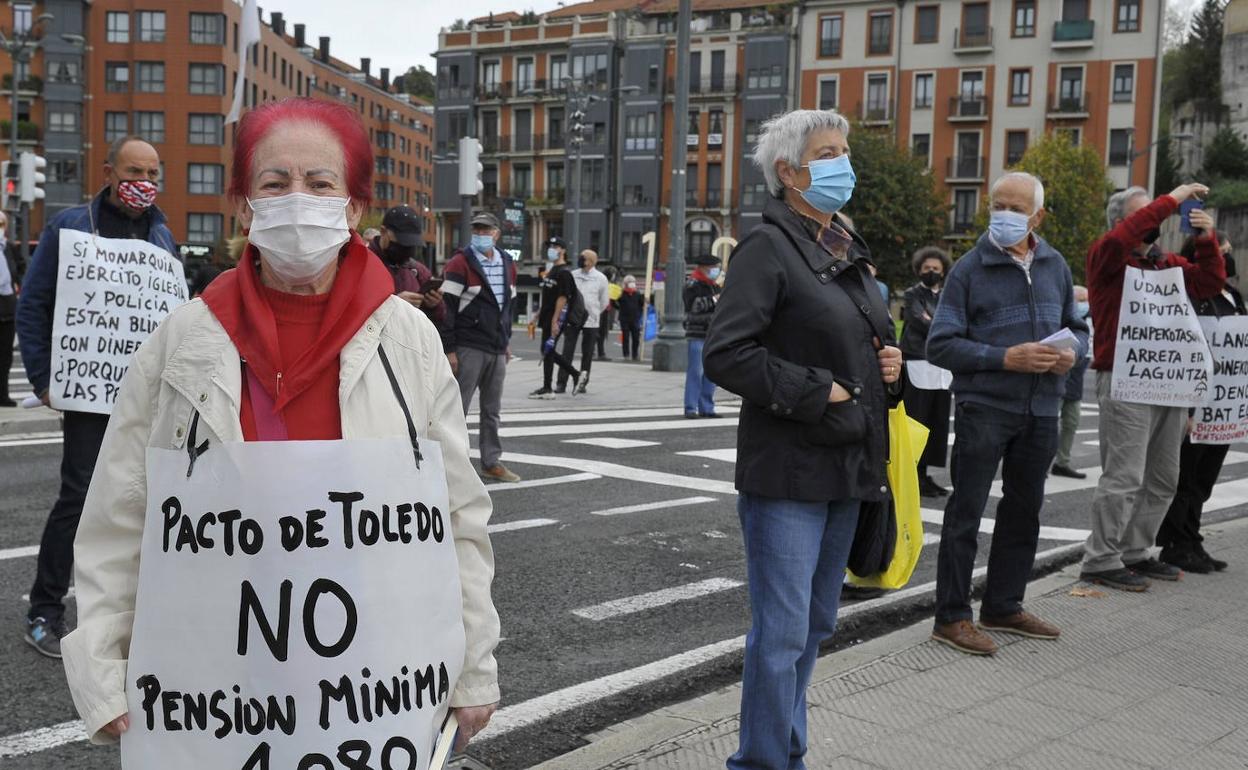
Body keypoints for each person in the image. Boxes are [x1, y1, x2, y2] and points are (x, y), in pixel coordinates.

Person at [60, 98, 499, 749]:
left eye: (320, 183)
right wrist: (101, 667)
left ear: (352, 208)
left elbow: (457, 516)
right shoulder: (181, 342)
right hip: (213, 693)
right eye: (275, 183)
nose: (298, 199)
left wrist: (473, 667)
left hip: (371, 689)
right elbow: (120, 515)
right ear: (244, 205)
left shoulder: (409, 342)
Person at [703, 109, 902, 770]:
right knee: (782, 633)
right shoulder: (770, 246)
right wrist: (821, 390)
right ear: (788, 172)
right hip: (788, 470)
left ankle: (787, 752)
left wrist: (887, 366)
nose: (843, 162)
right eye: (827, 152)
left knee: (815, 626)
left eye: (844, 150)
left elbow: (861, 342)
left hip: (846, 463)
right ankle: (761, 762)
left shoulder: (845, 243)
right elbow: (726, 353)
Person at [15, 135, 177, 657]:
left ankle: (135, 612)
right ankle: (45, 610)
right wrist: (43, 378)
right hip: (89, 391)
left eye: (152, 173)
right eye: (133, 171)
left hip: (143, 396)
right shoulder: (69, 228)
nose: (143, 183)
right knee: (79, 499)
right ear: (108, 172)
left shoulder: (163, 237)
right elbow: (34, 305)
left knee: (144, 499)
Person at [926, 171, 1088, 657]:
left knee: (1024, 511)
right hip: (985, 408)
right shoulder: (969, 270)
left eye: (1017, 209)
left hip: (1041, 408)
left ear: (1037, 216)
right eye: (999, 205)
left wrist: (1072, 353)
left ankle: (1003, 606)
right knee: (966, 511)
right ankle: (951, 617)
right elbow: (941, 344)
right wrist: (1004, 358)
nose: (1005, 216)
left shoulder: (1056, 265)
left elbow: (1078, 329)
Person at [1081, 184, 1225, 591]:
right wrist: (1173, 198)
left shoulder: (1167, 266)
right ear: (1123, 222)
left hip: (1169, 382)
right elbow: (1127, 234)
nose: (1155, 220)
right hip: (1126, 380)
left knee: (1163, 477)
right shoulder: (1106, 257)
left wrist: (1206, 240)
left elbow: (1210, 282)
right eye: (1145, 215)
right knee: (1123, 476)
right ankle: (1101, 558)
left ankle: (1135, 551)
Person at [1156, 235, 1242, 573]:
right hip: (1197, 400)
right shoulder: (1190, 295)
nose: (1228, 259)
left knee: (1205, 477)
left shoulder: (1232, 295)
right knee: (1185, 476)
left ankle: (1192, 538)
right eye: (1224, 253)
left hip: (1225, 403)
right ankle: (1175, 543)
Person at [443, 212, 521, 483]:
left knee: (492, 409)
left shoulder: (508, 264)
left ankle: (491, 461)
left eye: (486, 230)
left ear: (497, 234)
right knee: (457, 408)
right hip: (468, 345)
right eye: (477, 229)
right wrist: (450, 349)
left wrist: (506, 341)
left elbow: (508, 307)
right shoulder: (459, 263)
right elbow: (447, 309)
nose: (481, 234)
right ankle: (453, 464)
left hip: (497, 347)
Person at [899, 246, 953, 497]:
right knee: (917, 419)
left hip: (941, 365)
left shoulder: (947, 295)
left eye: (936, 269)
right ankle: (913, 474)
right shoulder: (912, 294)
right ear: (919, 270)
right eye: (926, 268)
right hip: (917, 361)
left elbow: (949, 322)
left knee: (937, 422)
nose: (931, 272)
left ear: (943, 272)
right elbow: (918, 320)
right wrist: (938, 324)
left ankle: (926, 474)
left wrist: (935, 321)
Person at [368, 204, 445, 325]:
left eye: (412, 244)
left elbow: (439, 318)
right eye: (403, 242)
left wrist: (434, 305)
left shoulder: (417, 270)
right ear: (383, 232)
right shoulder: (363, 264)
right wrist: (395, 305)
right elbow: (353, 310)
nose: (407, 249)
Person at [528, 236, 579, 398]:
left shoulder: (564, 272)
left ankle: (568, 377)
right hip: (547, 315)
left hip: (556, 318)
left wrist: (555, 320)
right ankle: (549, 386)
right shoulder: (552, 270)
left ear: (563, 251)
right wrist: (538, 314)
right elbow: (549, 295)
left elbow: (562, 298)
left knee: (547, 349)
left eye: (556, 246)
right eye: (550, 246)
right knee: (547, 350)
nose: (552, 249)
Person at [1051, 285, 1092, 479]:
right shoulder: (1062, 319)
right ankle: (1041, 463)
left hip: (1075, 384)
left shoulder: (1087, 323)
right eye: (1081, 300)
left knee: (1071, 422)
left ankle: (1062, 462)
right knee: (1049, 424)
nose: (1084, 304)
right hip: (1057, 380)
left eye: (1086, 300)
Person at [556, 249, 609, 394]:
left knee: (587, 353)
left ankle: (582, 383)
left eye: (583, 258)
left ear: (591, 262)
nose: (580, 260)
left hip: (591, 320)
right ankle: (561, 382)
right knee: (567, 351)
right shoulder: (573, 275)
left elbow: (604, 301)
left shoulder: (601, 278)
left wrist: (594, 312)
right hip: (573, 319)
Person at [683, 254, 721, 418]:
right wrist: (714, 299)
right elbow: (693, 306)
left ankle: (707, 407)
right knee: (696, 372)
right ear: (705, 267)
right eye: (715, 267)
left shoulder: (714, 285)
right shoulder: (693, 284)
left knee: (711, 372)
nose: (716, 271)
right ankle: (691, 407)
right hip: (698, 332)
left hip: (713, 334)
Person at [0, 210, 20, 407]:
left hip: (6, 308)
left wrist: (16, 284)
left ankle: (2, 394)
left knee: (5, 356)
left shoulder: (9, 248)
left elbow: (20, 268)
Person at [617, 274, 644, 361]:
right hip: (624, 319)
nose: (631, 284)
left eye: (632, 282)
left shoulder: (637, 294)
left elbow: (642, 304)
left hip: (635, 318)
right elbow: (616, 303)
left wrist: (641, 311)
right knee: (625, 337)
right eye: (629, 282)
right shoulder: (621, 294)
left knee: (636, 337)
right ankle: (626, 354)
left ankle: (635, 354)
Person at [598, 267, 621, 360]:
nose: (614, 276)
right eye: (613, 274)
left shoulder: (612, 285)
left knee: (603, 332)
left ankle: (601, 352)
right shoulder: (601, 283)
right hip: (599, 310)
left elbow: (613, 300)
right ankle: (596, 352)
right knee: (597, 332)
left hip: (606, 310)